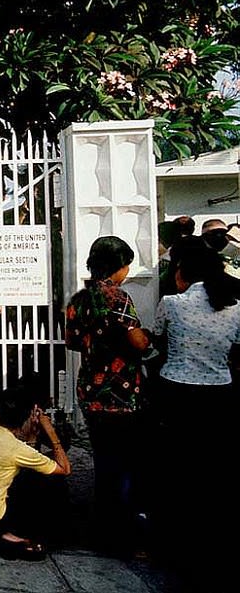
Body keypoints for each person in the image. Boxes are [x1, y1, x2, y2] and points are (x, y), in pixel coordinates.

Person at [149, 239, 240, 588]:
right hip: (219, 396)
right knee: (212, 472)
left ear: (182, 271)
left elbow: (156, 340)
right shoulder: (234, 307)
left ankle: (172, 544)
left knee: (175, 471)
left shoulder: (172, 305)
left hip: (176, 393)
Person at [64, 235, 150, 553]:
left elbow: (72, 341)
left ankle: (101, 529)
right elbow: (138, 342)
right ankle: (121, 533)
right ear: (118, 266)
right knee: (124, 464)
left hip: (91, 389)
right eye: (126, 265)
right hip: (121, 390)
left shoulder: (79, 299)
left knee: (103, 461)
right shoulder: (119, 298)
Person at [0, 385, 71, 561]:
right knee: (54, 480)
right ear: (27, 416)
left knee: (28, 473)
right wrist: (49, 430)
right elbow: (65, 469)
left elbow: (22, 456)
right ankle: (24, 536)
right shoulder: (16, 449)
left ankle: (3, 537)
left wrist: (32, 437)